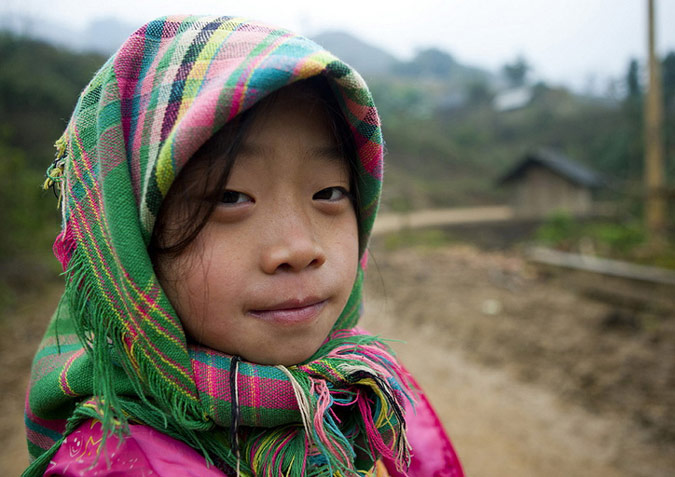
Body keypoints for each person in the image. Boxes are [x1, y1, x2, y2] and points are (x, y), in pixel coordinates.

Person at [24, 15, 463, 476]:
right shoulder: (112, 462)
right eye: (229, 197)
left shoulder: (372, 393)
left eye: (329, 192)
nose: (298, 248)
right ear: (130, 244)